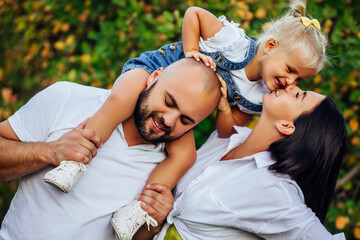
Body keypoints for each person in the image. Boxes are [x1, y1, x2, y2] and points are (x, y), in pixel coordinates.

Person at [42, 1, 328, 238]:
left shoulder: (258, 97)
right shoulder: (234, 43)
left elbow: (226, 131)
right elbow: (194, 13)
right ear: (270, 46)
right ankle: (76, 160)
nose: (290, 82)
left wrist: (225, 111)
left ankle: (138, 210)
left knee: (185, 156)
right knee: (121, 99)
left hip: (179, 112)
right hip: (158, 72)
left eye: (299, 79)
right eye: (290, 70)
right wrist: (191, 50)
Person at [0, 58, 221, 240]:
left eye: (186, 120)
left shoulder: (172, 173)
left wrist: (153, 225)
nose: (170, 120)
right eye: (169, 101)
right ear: (154, 77)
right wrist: (49, 152)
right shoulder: (66, 98)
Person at [133, 85, 347, 240]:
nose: (291, 86)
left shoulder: (275, 191)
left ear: (286, 126)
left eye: (298, 95)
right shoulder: (225, 137)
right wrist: (157, 217)